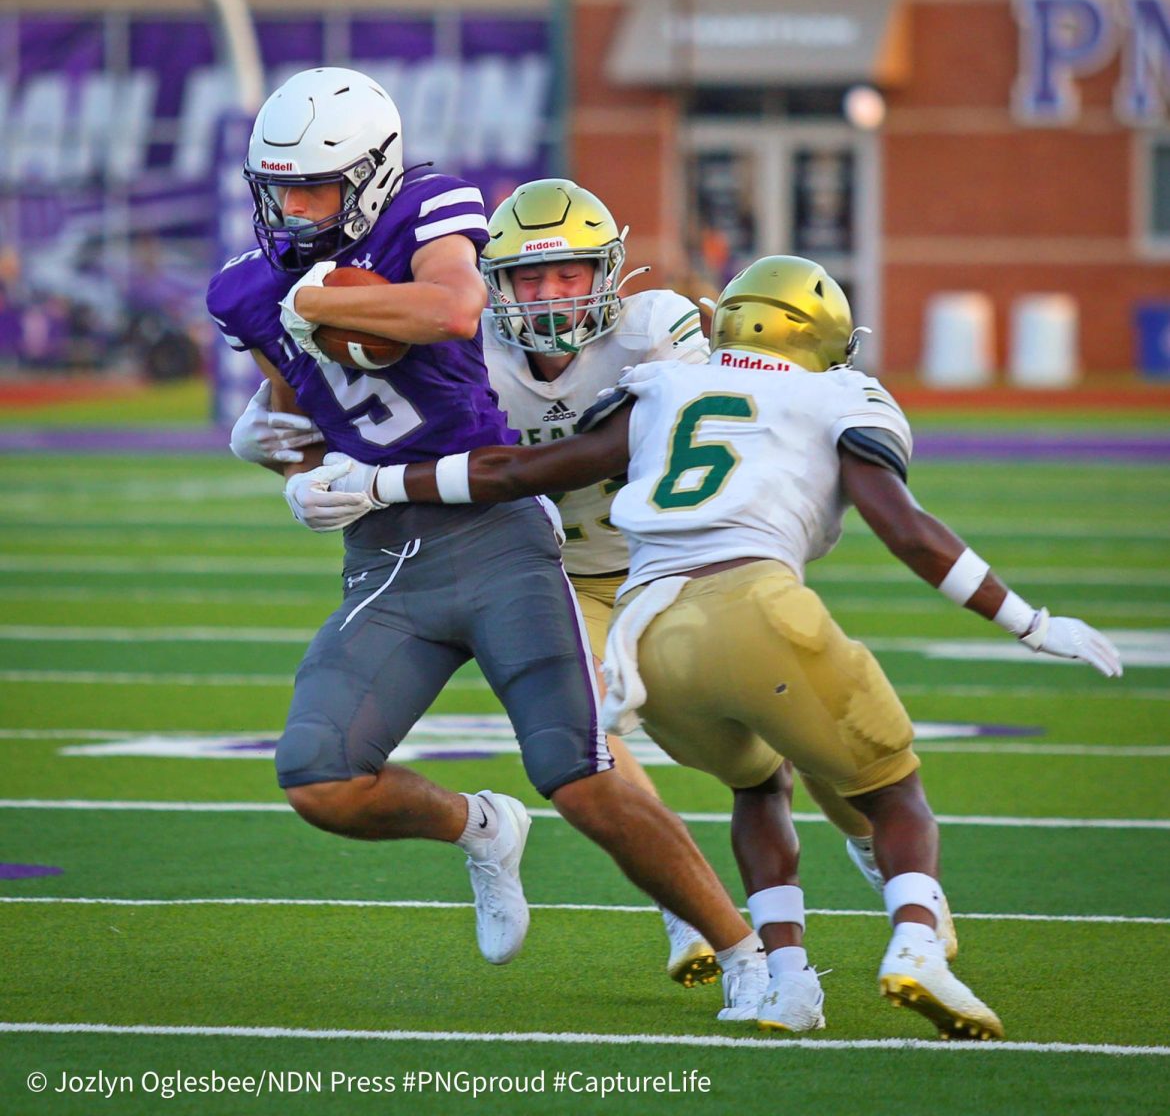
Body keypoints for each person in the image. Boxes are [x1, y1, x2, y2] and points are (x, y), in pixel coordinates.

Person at [314, 254, 1123, 1038]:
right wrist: (1031, 622)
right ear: (823, 338)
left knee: (760, 788)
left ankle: (788, 985)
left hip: (648, 634)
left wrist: (378, 484)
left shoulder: (666, 379)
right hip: (753, 604)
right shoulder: (841, 392)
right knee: (892, 788)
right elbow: (906, 530)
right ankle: (916, 941)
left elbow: (517, 471)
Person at [238, 175, 907, 983]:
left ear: (610, 273)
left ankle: (874, 841)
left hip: (690, 564)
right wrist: (280, 426)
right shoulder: (463, 355)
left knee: (803, 733)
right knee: (592, 739)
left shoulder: (659, 333)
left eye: (570, 274)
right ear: (495, 283)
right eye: (528, 277)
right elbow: (357, 399)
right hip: (575, 575)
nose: (550, 294)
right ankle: (681, 904)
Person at [207, 67, 767, 1013]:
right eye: (281, 188)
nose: (296, 209)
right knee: (318, 775)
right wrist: (284, 467)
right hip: (387, 557)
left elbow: (453, 309)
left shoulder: (429, 205)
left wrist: (320, 303)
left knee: (579, 773)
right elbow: (304, 416)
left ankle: (745, 953)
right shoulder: (244, 290)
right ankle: (479, 829)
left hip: (498, 536)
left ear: (374, 173)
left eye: (316, 186)